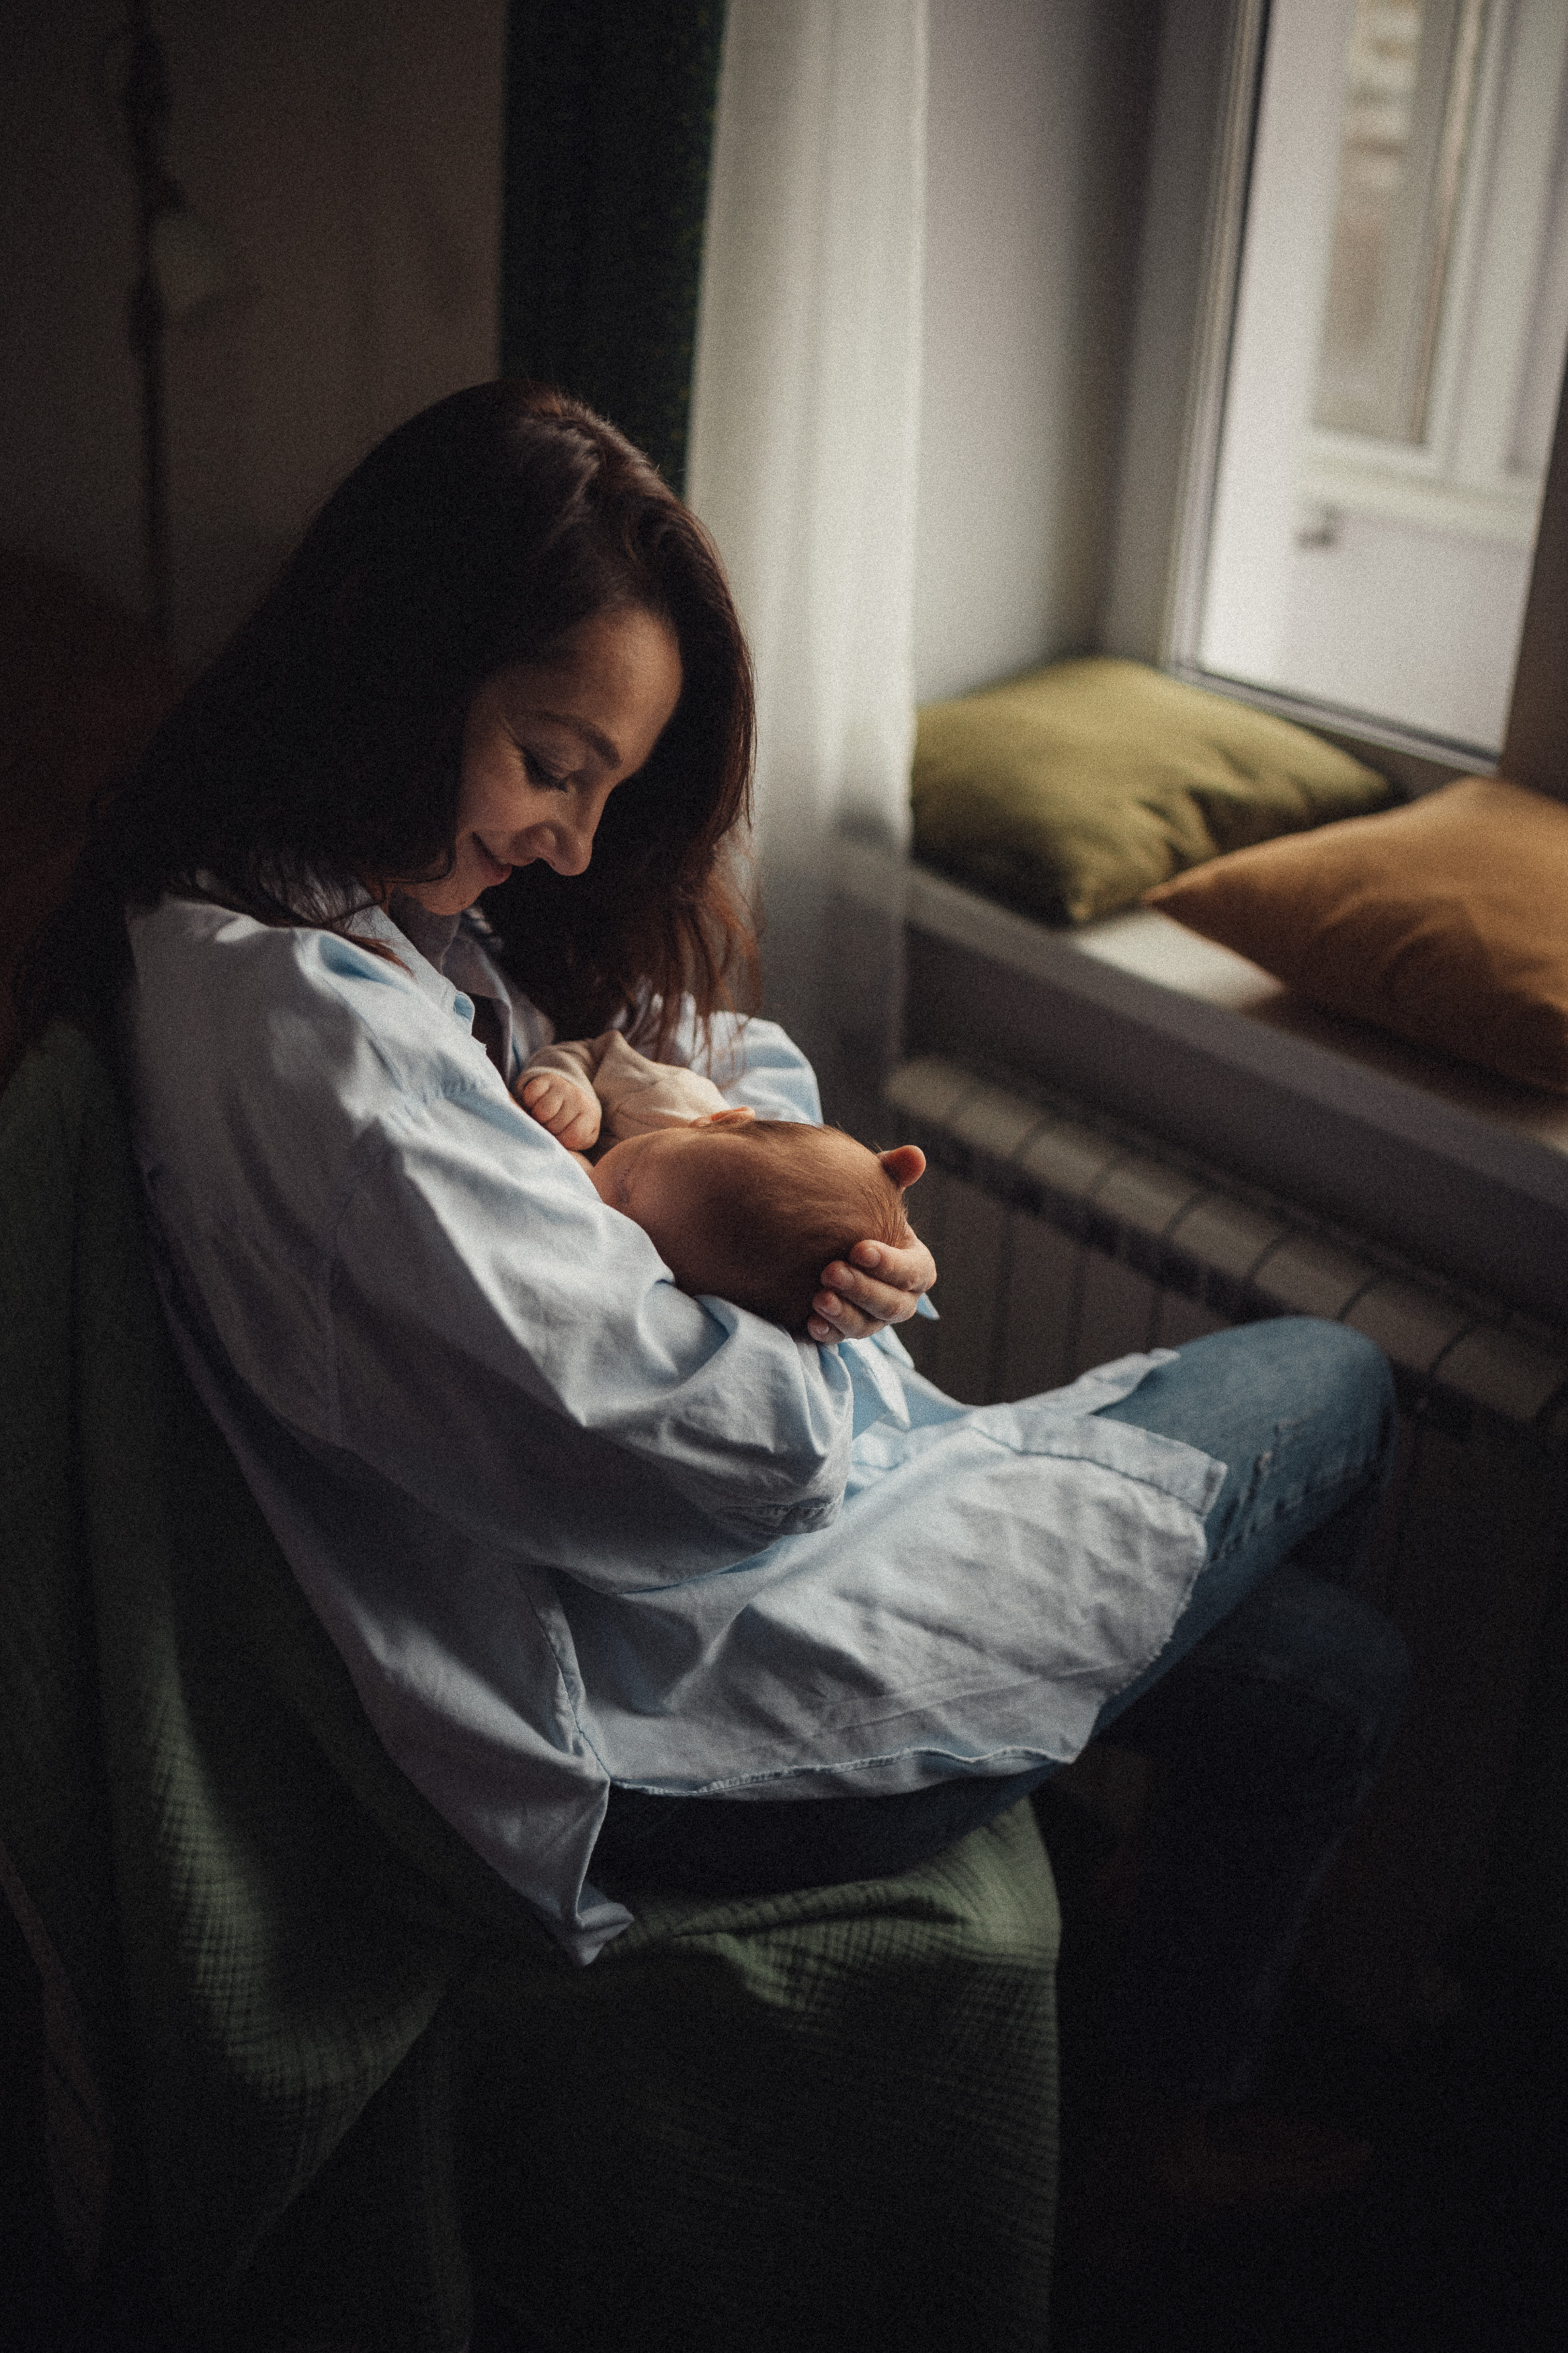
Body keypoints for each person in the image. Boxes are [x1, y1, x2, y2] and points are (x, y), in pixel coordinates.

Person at [18, 381, 1408, 2212]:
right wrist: (732, 1229)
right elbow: (736, 1465)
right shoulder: (311, 1042)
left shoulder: (360, 911)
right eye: (551, 761)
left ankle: (1158, 2118)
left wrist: (700, 1189)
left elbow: (724, 1063)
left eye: (603, 786)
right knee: (1343, 1373)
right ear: (397, 661)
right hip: (638, 1722)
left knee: (1333, 1681)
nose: (575, 845)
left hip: (662, 1593)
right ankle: (1161, 2089)